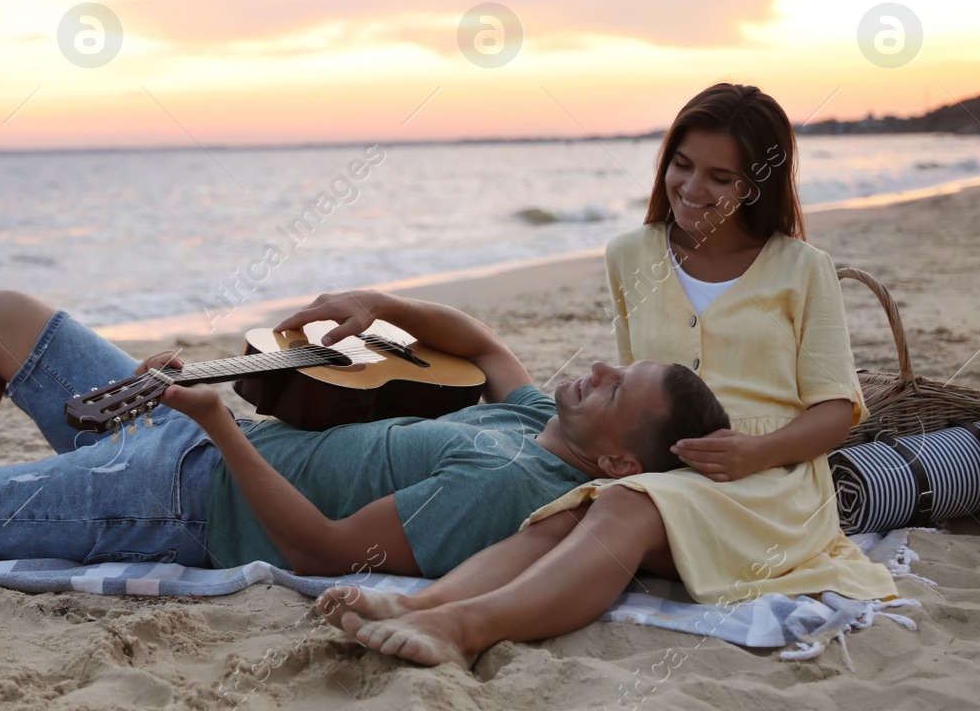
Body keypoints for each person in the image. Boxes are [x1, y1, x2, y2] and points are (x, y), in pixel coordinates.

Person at [316, 83, 901, 668]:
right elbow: (627, 386)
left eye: (720, 179)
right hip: (662, 465)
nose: (693, 189)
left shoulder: (804, 268)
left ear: (756, 184)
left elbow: (835, 410)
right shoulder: (630, 254)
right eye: (681, 165)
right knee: (567, 512)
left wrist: (754, 453)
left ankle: (463, 628)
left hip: (773, 485)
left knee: (624, 505)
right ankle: (424, 605)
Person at [0, 289, 728, 578]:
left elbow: (323, 551)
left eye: (614, 381)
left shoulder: (505, 491)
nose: (591, 367)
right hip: (189, 440)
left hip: (191, 498)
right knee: (1, 320)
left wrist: (222, 429)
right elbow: (485, 344)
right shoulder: (527, 414)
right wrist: (381, 304)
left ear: (621, 457)